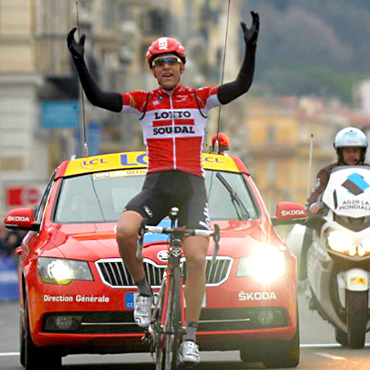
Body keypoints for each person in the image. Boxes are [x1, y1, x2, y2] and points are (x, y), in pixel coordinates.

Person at [67, 11, 259, 365]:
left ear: (182, 67)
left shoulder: (201, 99)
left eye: (172, 61)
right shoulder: (144, 102)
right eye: (159, 63)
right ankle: (143, 293)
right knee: (125, 231)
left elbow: (240, 87)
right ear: (152, 70)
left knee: (198, 257)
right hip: (155, 185)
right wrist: (80, 62)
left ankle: (189, 336)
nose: (166, 67)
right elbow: (98, 99)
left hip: (191, 187)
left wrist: (251, 48)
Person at [299, 126, 368, 281]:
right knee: (309, 229)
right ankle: (303, 275)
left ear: (362, 152)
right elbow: (317, 194)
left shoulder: (368, 172)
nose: (351, 155)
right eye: (347, 151)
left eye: (355, 151)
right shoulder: (328, 172)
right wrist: (314, 206)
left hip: (365, 221)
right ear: (339, 152)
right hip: (337, 220)